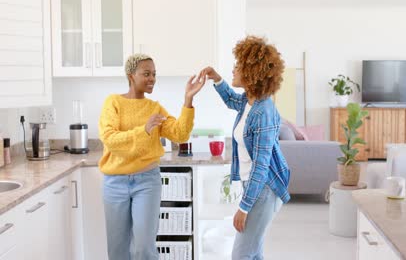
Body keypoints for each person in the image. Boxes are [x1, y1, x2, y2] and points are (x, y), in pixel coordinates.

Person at [98, 53, 205, 260]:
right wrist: (144, 130)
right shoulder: (113, 103)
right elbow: (110, 139)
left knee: (144, 249)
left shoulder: (154, 108)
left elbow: (180, 134)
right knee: (118, 250)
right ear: (131, 75)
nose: (152, 79)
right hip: (114, 183)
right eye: (146, 74)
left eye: (154, 74)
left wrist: (188, 100)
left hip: (147, 181)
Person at [200, 36, 290, 260]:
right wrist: (217, 79)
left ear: (252, 72)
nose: (234, 69)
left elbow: (261, 165)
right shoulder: (250, 101)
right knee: (253, 252)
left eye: (239, 65)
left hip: (264, 189)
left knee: (241, 255)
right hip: (256, 186)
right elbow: (231, 100)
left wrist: (244, 207)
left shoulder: (264, 113)